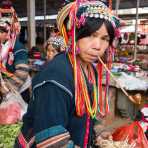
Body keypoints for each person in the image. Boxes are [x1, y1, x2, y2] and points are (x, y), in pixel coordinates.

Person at [15, 0, 120, 147]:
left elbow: (83, 113)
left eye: (104, 39)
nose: (97, 46)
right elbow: (52, 142)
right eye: (90, 35)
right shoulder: (55, 77)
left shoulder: (89, 69)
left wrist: (97, 133)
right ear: (74, 34)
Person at [0, 0, 30, 103]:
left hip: (19, 90)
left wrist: (5, 89)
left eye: (2, 31)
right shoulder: (2, 47)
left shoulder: (17, 47)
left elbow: (22, 73)